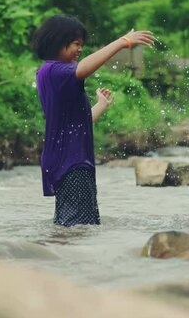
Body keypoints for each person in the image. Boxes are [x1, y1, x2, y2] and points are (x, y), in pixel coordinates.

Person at [32, 14, 153, 227]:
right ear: (57, 42)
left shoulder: (51, 74)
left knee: (73, 225)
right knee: (78, 227)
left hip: (70, 160)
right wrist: (122, 42)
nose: (80, 49)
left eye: (82, 45)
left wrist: (100, 106)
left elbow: (77, 125)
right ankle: (70, 261)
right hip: (71, 162)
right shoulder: (54, 70)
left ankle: (61, 260)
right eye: (76, 44)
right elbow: (84, 68)